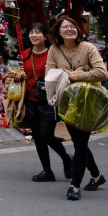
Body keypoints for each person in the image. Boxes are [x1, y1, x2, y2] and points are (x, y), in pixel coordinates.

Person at [46, 15, 108, 201]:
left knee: (80, 143)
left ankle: (75, 186)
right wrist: (70, 75)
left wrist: (76, 76)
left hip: (88, 102)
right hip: (67, 104)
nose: (70, 29)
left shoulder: (88, 48)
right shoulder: (54, 50)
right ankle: (97, 176)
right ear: (58, 31)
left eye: (73, 26)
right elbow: (49, 74)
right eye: (65, 27)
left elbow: (102, 72)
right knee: (79, 142)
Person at [18, 22, 72, 182]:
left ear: (45, 36)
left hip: (48, 100)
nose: (34, 36)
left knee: (46, 134)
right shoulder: (27, 53)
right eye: (31, 33)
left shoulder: (53, 53)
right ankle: (47, 171)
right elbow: (25, 73)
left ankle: (66, 157)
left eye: (37, 33)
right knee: (38, 136)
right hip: (30, 100)